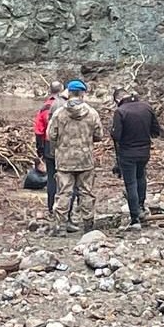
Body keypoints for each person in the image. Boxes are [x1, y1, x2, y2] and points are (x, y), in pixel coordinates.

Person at [46, 80, 103, 233]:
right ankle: (88, 225)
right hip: (85, 159)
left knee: (64, 192)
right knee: (86, 192)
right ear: (83, 93)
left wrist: (55, 150)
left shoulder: (59, 113)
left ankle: (60, 226)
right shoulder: (92, 113)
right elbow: (99, 135)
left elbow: (51, 135)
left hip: (64, 159)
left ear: (69, 92)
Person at [112, 88, 163, 229]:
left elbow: (116, 136)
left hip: (127, 152)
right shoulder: (146, 107)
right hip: (144, 151)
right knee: (141, 178)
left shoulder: (120, 111)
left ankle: (135, 217)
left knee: (131, 183)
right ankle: (141, 206)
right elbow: (156, 131)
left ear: (117, 100)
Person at [33, 81, 64, 211]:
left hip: (48, 143)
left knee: (51, 177)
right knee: (66, 176)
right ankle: (65, 206)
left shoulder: (45, 106)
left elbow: (39, 130)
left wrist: (39, 149)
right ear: (62, 90)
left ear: (50, 91)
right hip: (64, 145)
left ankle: (51, 207)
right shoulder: (65, 105)